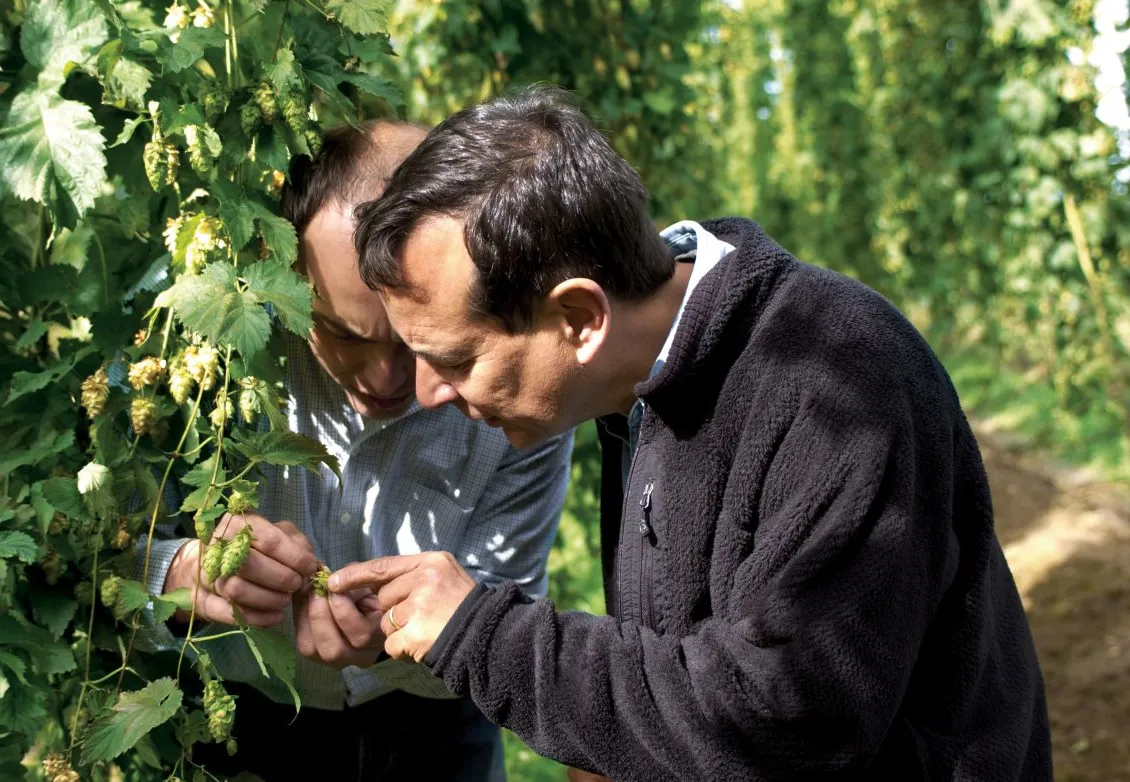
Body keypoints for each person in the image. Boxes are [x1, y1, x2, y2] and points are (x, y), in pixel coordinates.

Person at [329, 86, 1054, 780]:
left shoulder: (839, 377)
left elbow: (791, 722)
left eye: (455, 358)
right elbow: (694, 662)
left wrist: (484, 637)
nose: (427, 392)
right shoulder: (640, 387)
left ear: (580, 318)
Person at [139, 119, 574, 781]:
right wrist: (176, 574)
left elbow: (502, 620)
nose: (387, 379)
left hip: (437, 734)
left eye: (412, 339)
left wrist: (401, 645)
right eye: (343, 335)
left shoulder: (514, 391)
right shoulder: (208, 355)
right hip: (236, 717)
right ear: (286, 278)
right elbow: (98, 554)